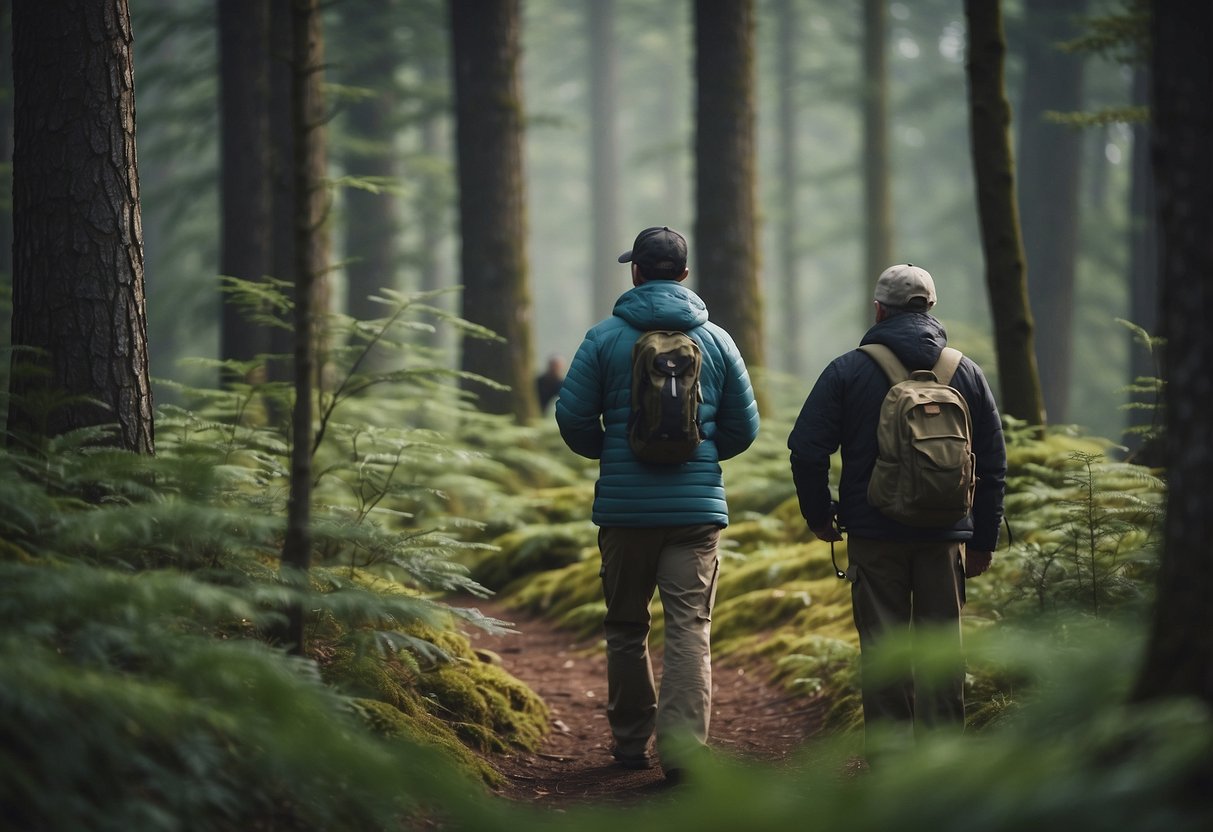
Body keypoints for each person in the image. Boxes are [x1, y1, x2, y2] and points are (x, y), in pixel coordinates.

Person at [555, 226, 760, 781]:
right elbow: (746, 428)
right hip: (696, 514)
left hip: (625, 511)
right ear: (685, 276)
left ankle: (627, 744)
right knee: (690, 627)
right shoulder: (717, 341)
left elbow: (572, 417)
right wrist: (706, 457)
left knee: (626, 624)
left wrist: (611, 453)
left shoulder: (603, 338)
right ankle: (685, 753)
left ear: (636, 272)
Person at [787, 264, 1006, 754]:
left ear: (879, 309)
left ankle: (890, 766)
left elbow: (806, 448)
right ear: (930, 307)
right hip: (946, 535)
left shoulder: (848, 369)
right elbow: (993, 462)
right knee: (943, 652)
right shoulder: (964, 371)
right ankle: (942, 767)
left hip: (874, 533)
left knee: (884, 652)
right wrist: (983, 541)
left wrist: (820, 515)